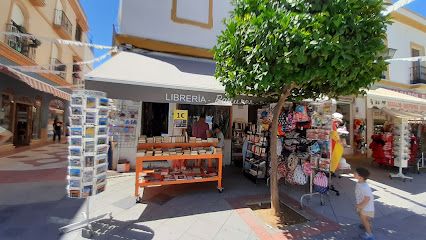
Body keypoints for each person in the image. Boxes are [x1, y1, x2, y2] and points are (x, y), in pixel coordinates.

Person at [354, 167, 375, 240]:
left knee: (364, 219)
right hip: (363, 205)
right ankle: (366, 225)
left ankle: (369, 234)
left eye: (355, 173)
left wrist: (359, 206)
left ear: (360, 177)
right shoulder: (360, 183)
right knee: (362, 217)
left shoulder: (364, 187)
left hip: (366, 207)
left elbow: (367, 198)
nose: (354, 173)